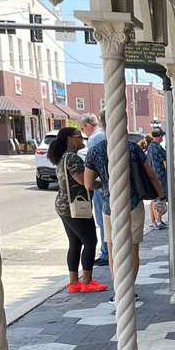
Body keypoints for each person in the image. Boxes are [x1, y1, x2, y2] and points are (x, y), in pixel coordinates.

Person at [83, 125, 163, 300]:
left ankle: (119, 290)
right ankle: (130, 289)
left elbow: (88, 184)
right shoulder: (132, 147)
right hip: (133, 202)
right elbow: (150, 174)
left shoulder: (95, 151)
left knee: (113, 250)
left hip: (109, 205)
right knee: (133, 249)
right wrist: (160, 195)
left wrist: (104, 185)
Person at [49, 126, 107, 295]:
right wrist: (101, 182)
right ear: (69, 139)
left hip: (63, 205)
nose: (82, 139)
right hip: (76, 206)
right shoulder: (73, 158)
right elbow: (83, 181)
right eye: (78, 137)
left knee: (75, 243)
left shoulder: (62, 158)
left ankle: (74, 282)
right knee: (90, 241)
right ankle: (87, 282)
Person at [79, 114, 108, 267]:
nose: (83, 132)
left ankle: (106, 252)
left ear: (88, 125)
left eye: (83, 128)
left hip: (102, 187)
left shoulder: (94, 139)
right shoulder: (103, 135)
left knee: (103, 220)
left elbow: (93, 167)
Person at [144, 130, 168, 230]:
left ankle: (154, 221)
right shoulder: (158, 147)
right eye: (161, 136)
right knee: (160, 199)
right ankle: (158, 220)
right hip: (160, 176)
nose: (162, 138)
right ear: (158, 137)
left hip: (152, 175)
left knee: (154, 199)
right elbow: (167, 156)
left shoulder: (150, 147)